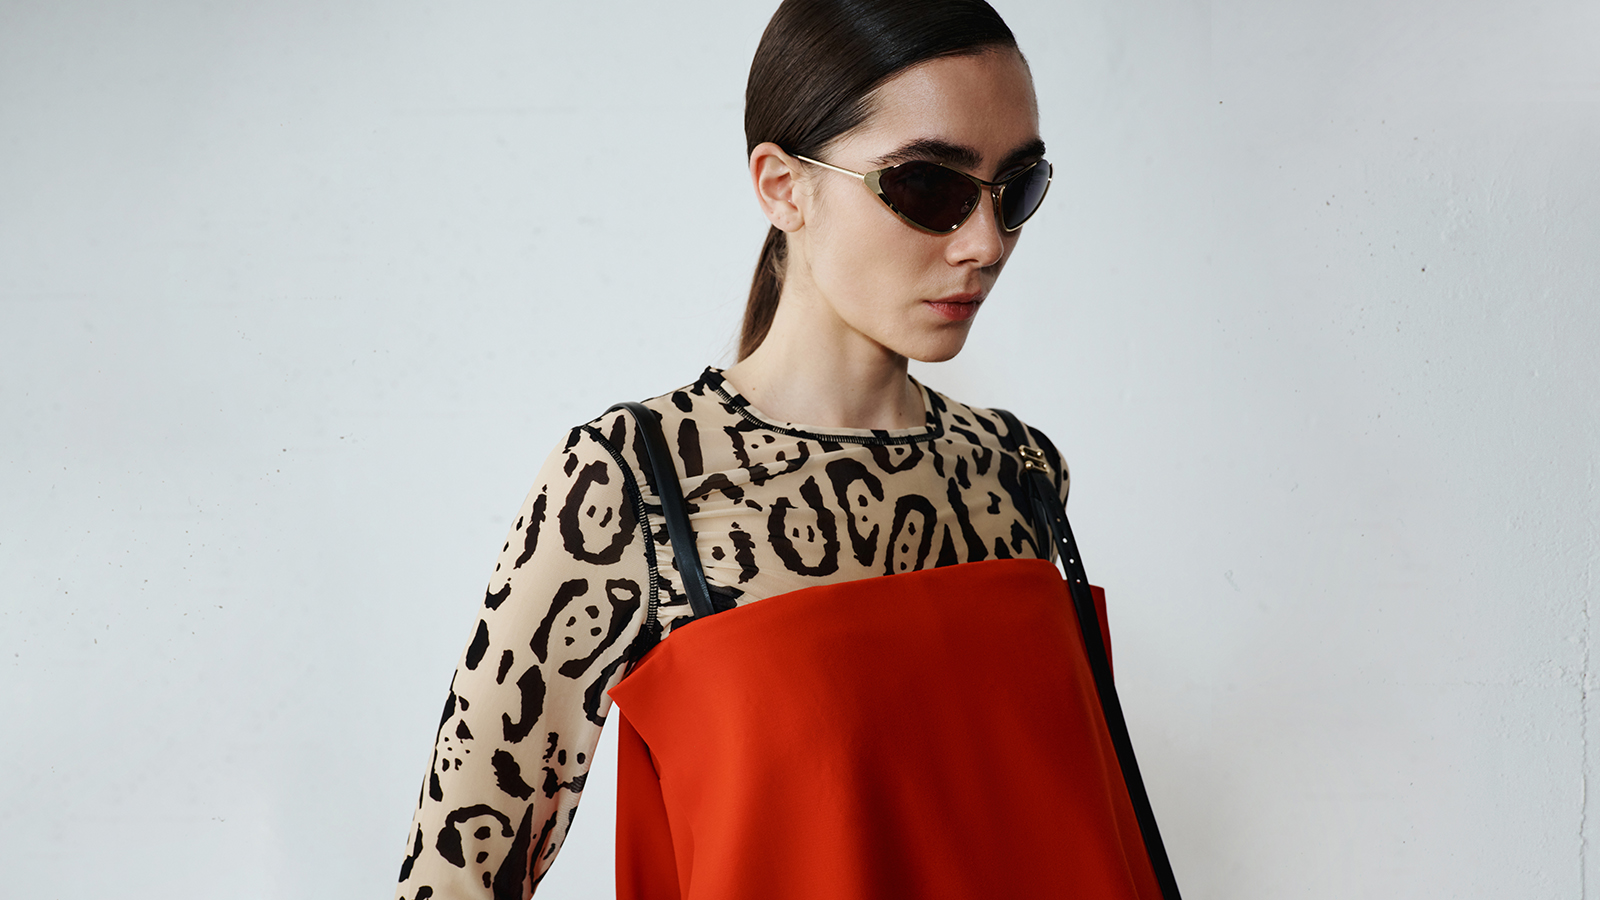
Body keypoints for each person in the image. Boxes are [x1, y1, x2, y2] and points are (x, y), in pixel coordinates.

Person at [395, 1, 1174, 898]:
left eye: (1017, 189)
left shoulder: (1017, 472)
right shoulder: (635, 483)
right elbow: (456, 875)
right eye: (930, 187)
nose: (987, 242)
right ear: (781, 186)